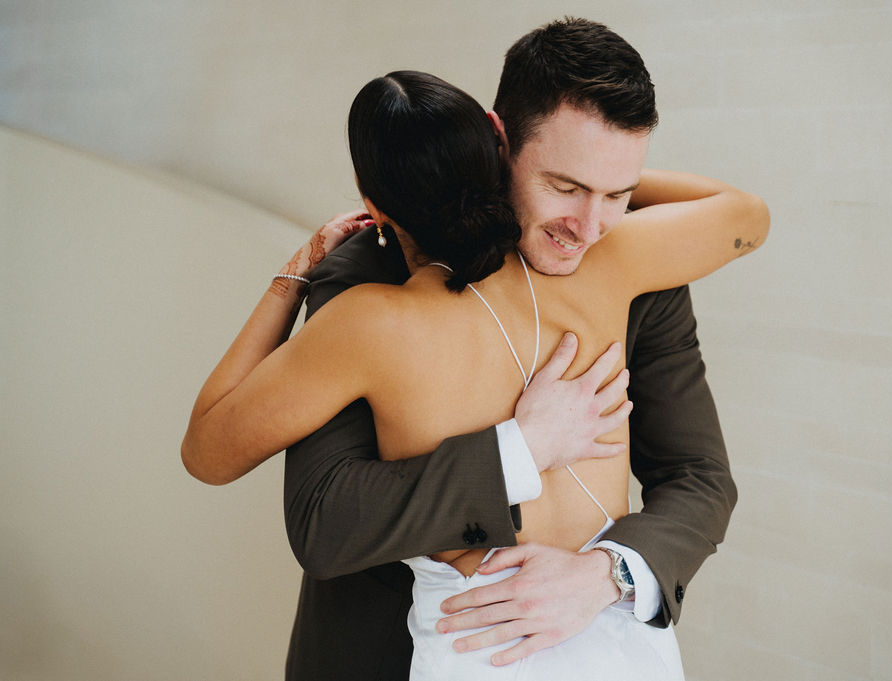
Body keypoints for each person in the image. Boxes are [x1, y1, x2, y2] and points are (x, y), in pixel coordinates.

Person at [182, 63, 767, 679]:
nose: (589, 222)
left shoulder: (364, 324)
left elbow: (207, 452)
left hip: (483, 645)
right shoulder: (612, 264)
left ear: (372, 202)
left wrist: (294, 272)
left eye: (611, 195)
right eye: (565, 184)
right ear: (499, 148)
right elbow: (745, 216)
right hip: (623, 650)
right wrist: (601, 180)